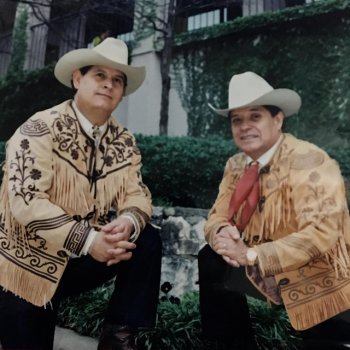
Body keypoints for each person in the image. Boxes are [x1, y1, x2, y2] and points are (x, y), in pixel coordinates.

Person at [0, 37, 162, 350]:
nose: (108, 84)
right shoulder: (38, 128)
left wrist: (127, 221)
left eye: (117, 80)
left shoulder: (124, 141)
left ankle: (119, 336)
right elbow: (26, 202)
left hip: (79, 260)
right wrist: (89, 240)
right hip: (24, 265)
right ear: (78, 79)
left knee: (146, 239)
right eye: (99, 75)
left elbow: (137, 194)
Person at [198, 71, 350, 349]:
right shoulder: (235, 166)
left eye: (255, 117)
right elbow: (216, 216)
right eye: (237, 120)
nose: (245, 127)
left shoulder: (311, 161)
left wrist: (252, 254)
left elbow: (320, 235)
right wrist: (223, 234)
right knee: (212, 258)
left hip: (322, 272)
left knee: (327, 341)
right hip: (264, 268)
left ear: (277, 120)